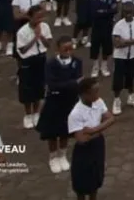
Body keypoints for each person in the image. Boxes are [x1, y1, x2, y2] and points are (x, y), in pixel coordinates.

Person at [38, 35, 84, 173]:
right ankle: (53, 157)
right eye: (65, 49)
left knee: (65, 130)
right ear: (58, 49)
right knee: (52, 132)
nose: (68, 51)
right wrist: (72, 83)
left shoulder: (77, 61)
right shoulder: (51, 64)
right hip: (54, 101)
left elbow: (79, 81)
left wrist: (70, 85)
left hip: (70, 101)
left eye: (71, 48)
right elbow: (52, 85)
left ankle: (62, 155)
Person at [67, 77, 115, 200]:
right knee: (81, 183)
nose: (98, 94)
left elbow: (111, 118)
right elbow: (81, 139)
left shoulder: (98, 102)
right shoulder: (75, 114)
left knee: (96, 178)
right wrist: (101, 128)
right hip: (84, 151)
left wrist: (93, 130)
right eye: (95, 92)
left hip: (98, 145)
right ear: (84, 94)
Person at [15, 5, 51, 129]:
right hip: (27, 62)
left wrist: (41, 36)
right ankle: (27, 115)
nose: (40, 20)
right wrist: (35, 38)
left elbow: (49, 44)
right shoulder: (22, 32)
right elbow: (23, 50)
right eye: (37, 17)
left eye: (41, 17)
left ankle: (36, 113)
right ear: (30, 17)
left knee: (39, 87)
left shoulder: (45, 27)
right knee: (27, 89)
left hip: (41, 58)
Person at [111, 4, 134, 115]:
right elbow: (117, 43)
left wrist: (126, 41)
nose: (128, 15)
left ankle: (131, 96)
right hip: (120, 56)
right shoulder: (118, 25)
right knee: (118, 77)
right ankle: (116, 100)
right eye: (126, 12)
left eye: (130, 12)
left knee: (131, 75)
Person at [89, 0, 119, 78]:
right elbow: (93, 13)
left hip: (108, 27)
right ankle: (95, 66)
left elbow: (114, 10)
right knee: (95, 47)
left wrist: (102, 12)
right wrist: (106, 12)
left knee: (106, 47)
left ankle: (104, 66)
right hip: (96, 28)